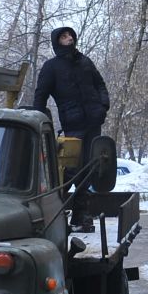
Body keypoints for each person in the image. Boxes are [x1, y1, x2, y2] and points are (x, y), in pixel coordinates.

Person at [32, 26, 110, 221]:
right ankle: (56, 210)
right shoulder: (52, 67)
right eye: (64, 36)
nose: (68, 39)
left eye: (70, 35)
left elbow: (100, 84)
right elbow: (40, 94)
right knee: (72, 168)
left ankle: (80, 213)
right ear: (57, 42)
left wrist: (103, 106)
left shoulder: (85, 61)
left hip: (93, 120)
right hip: (73, 123)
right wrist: (38, 120)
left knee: (89, 166)